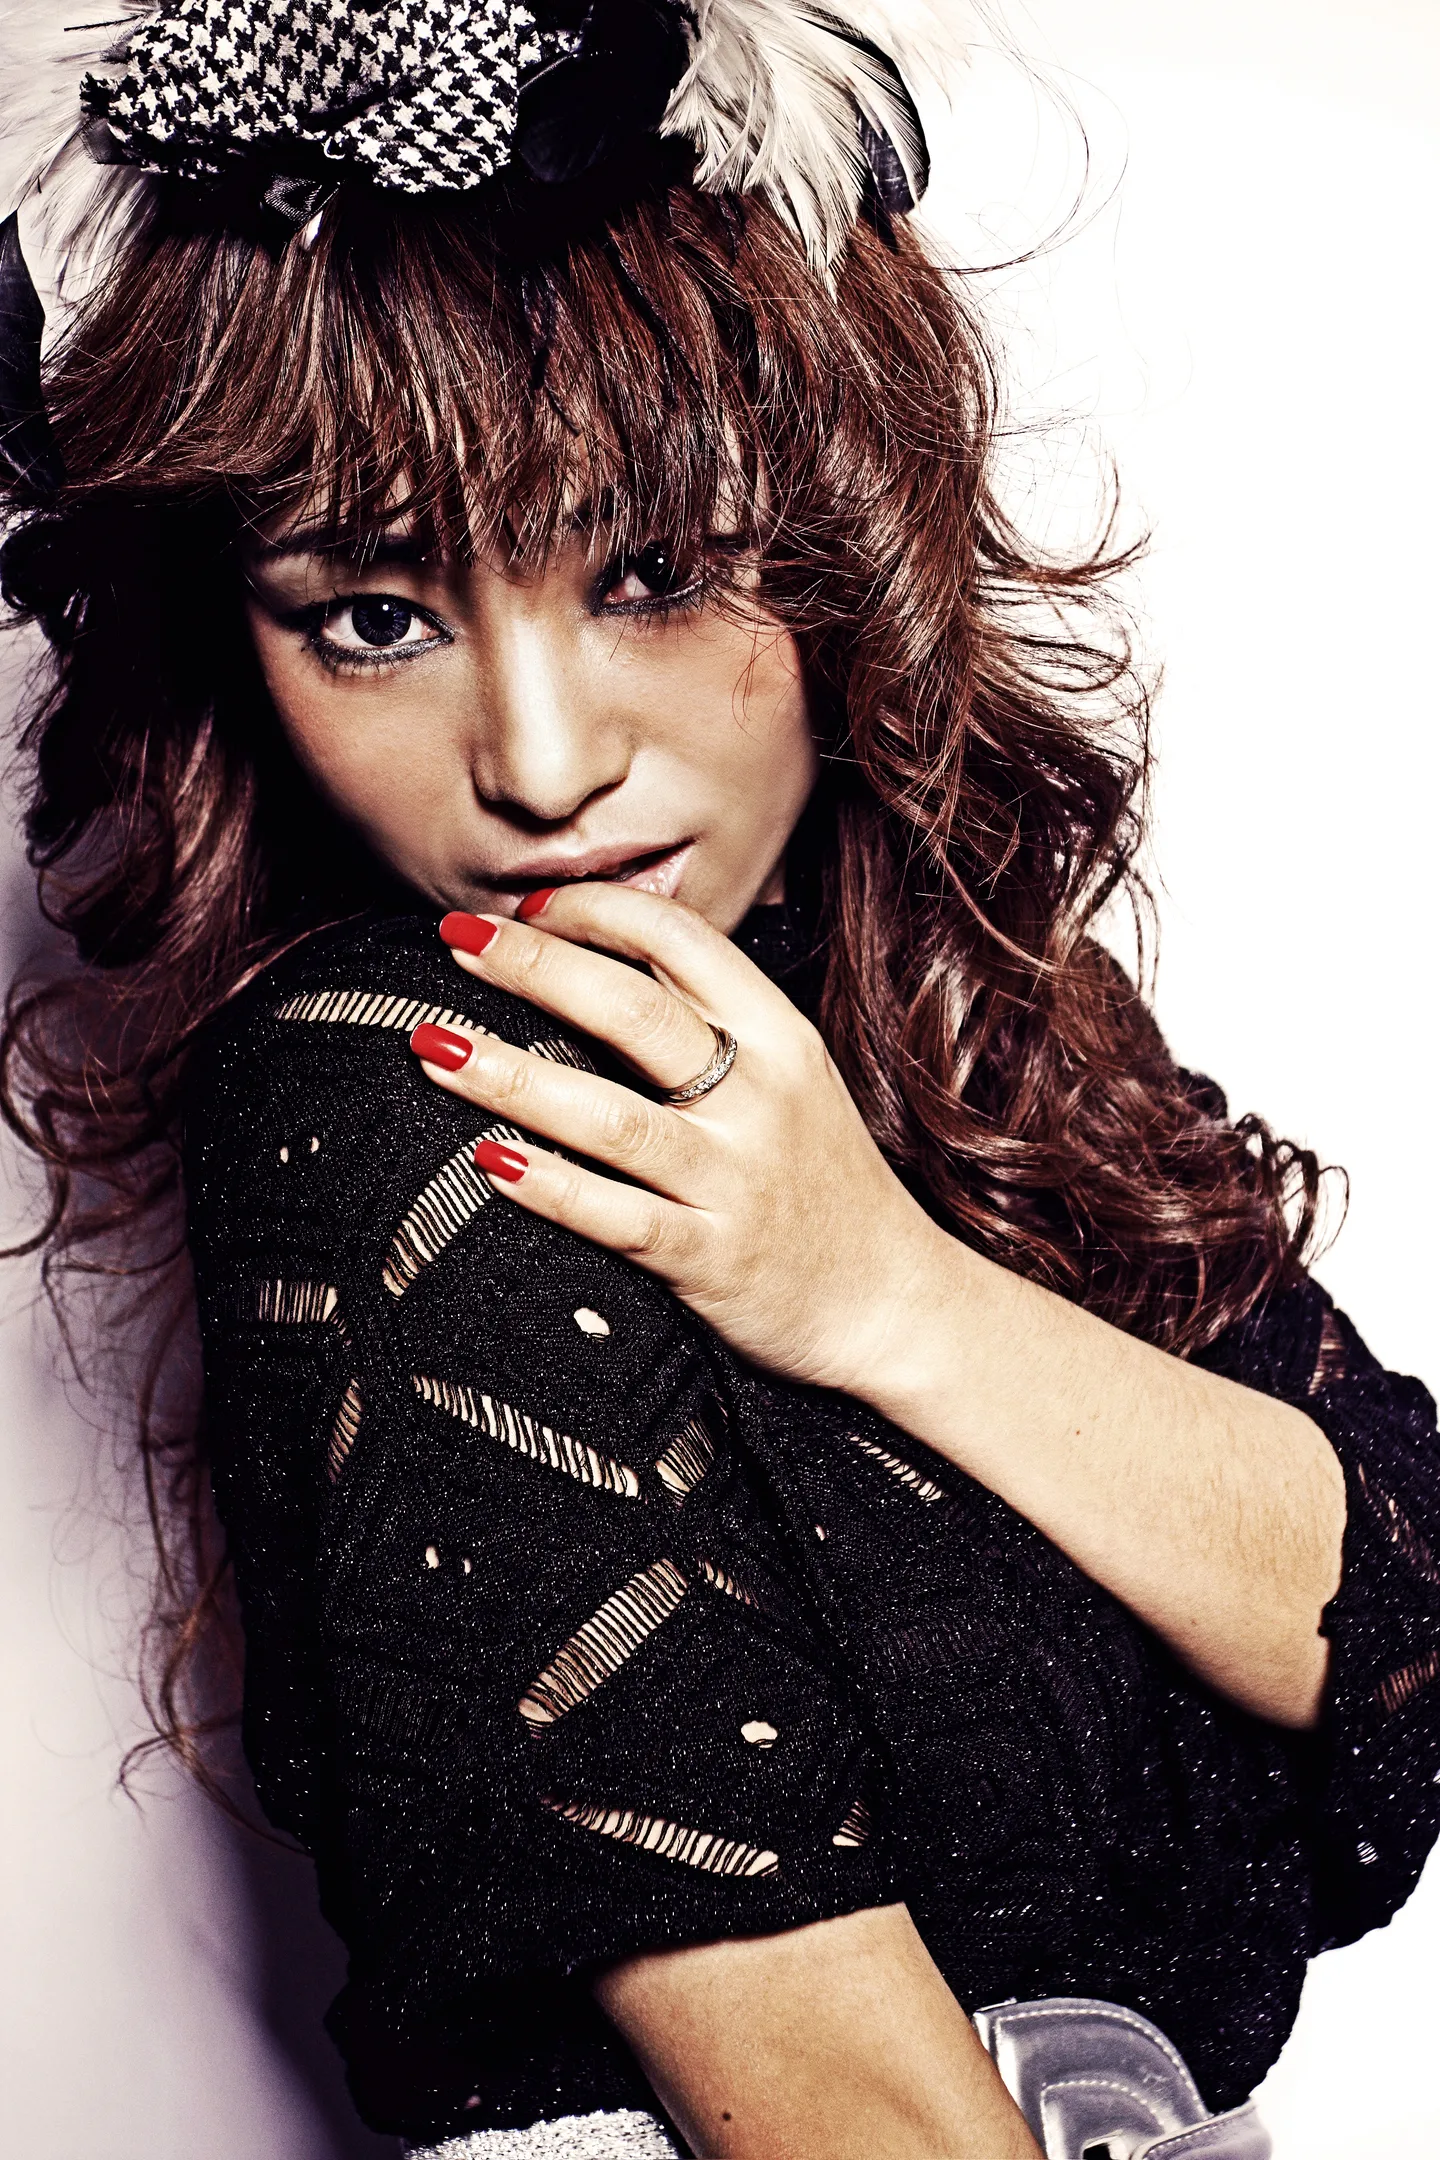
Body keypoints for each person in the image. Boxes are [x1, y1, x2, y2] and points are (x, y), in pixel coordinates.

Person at [1, 2, 1438, 2155]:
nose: (541, 764)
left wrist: (882, 1290)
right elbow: (844, 2105)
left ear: (845, 532)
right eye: (372, 616)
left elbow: (1397, 1628)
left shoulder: (973, 1020)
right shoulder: (391, 1099)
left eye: (652, 575)